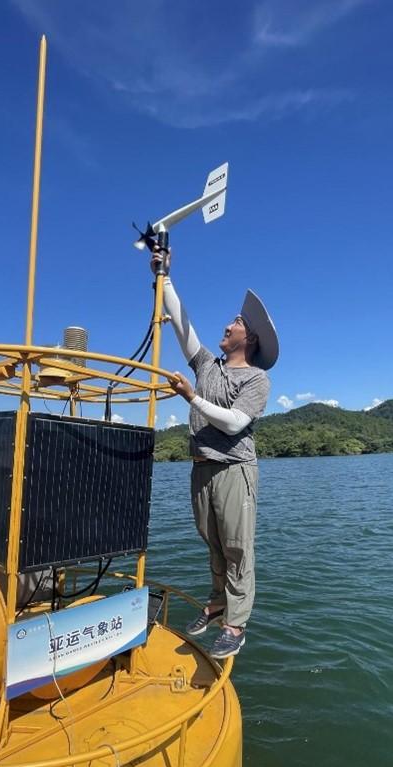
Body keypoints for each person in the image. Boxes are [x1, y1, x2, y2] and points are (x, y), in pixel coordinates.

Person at [151, 247, 279, 658]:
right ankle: (219, 600)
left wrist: (191, 398)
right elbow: (182, 326)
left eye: (236, 322)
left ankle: (236, 623)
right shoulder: (208, 365)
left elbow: (235, 424)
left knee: (238, 546)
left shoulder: (257, 379)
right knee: (212, 542)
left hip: (235, 469)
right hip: (201, 468)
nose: (228, 325)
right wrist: (164, 277)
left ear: (251, 338)